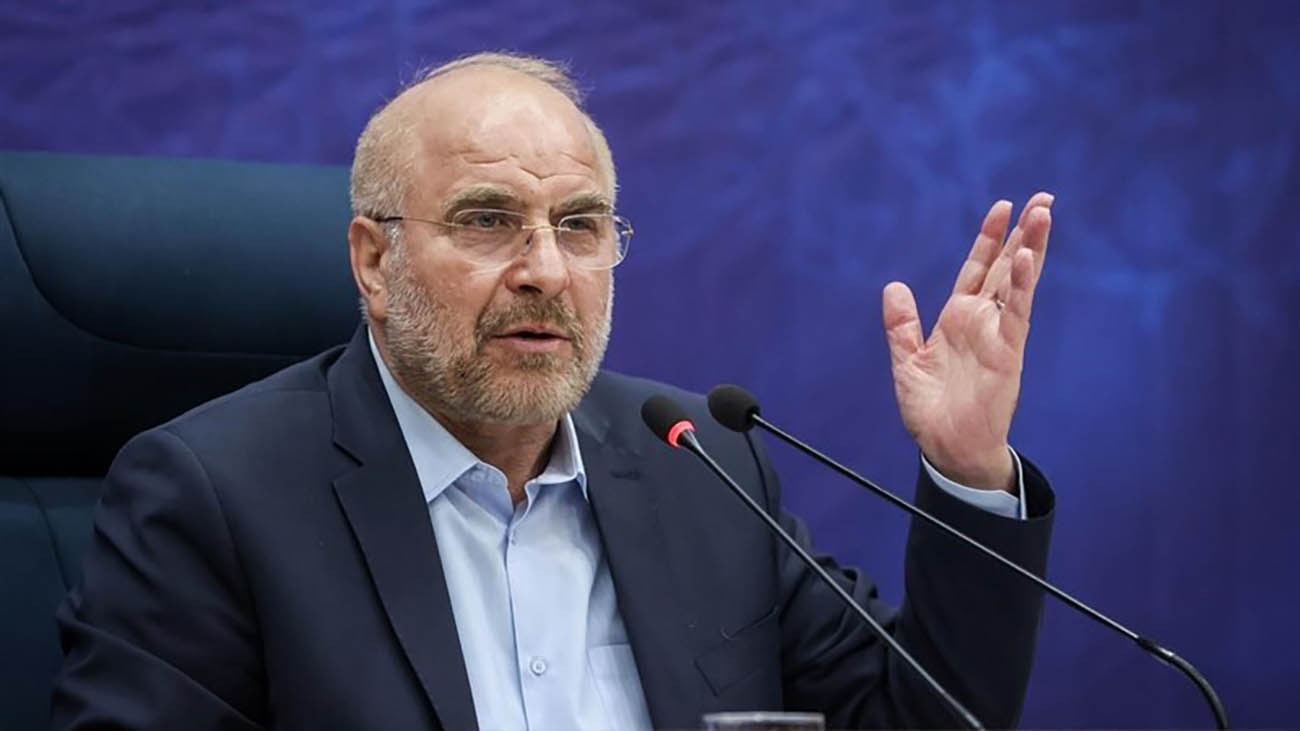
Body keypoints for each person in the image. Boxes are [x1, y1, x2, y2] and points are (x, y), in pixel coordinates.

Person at [53, 52, 1056, 730]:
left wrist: (967, 467)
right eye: (487, 220)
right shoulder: (215, 495)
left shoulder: (699, 460)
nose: (544, 270)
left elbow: (922, 718)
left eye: (579, 226)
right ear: (373, 260)